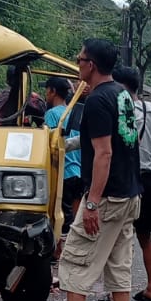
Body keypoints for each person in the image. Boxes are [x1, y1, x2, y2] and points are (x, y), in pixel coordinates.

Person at [36, 37, 141, 301]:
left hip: (106, 196)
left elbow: (104, 153)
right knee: (118, 261)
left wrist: (92, 202)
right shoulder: (121, 93)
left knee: (76, 257)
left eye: (80, 59)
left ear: (91, 65)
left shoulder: (97, 100)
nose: (77, 63)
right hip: (130, 193)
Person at [113, 64, 151, 301]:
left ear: (120, 87)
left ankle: (115, 294)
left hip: (133, 180)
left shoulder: (123, 110)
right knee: (145, 238)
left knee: (118, 237)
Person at [44, 75, 83, 237]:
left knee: (60, 221)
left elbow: (52, 144)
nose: (45, 94)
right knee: (75, 219)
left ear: (53, 92)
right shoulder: (75, 112)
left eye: (46, 91)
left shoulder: (51, 114)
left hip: (62, 173)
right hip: (78, 171)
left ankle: (60, 255)